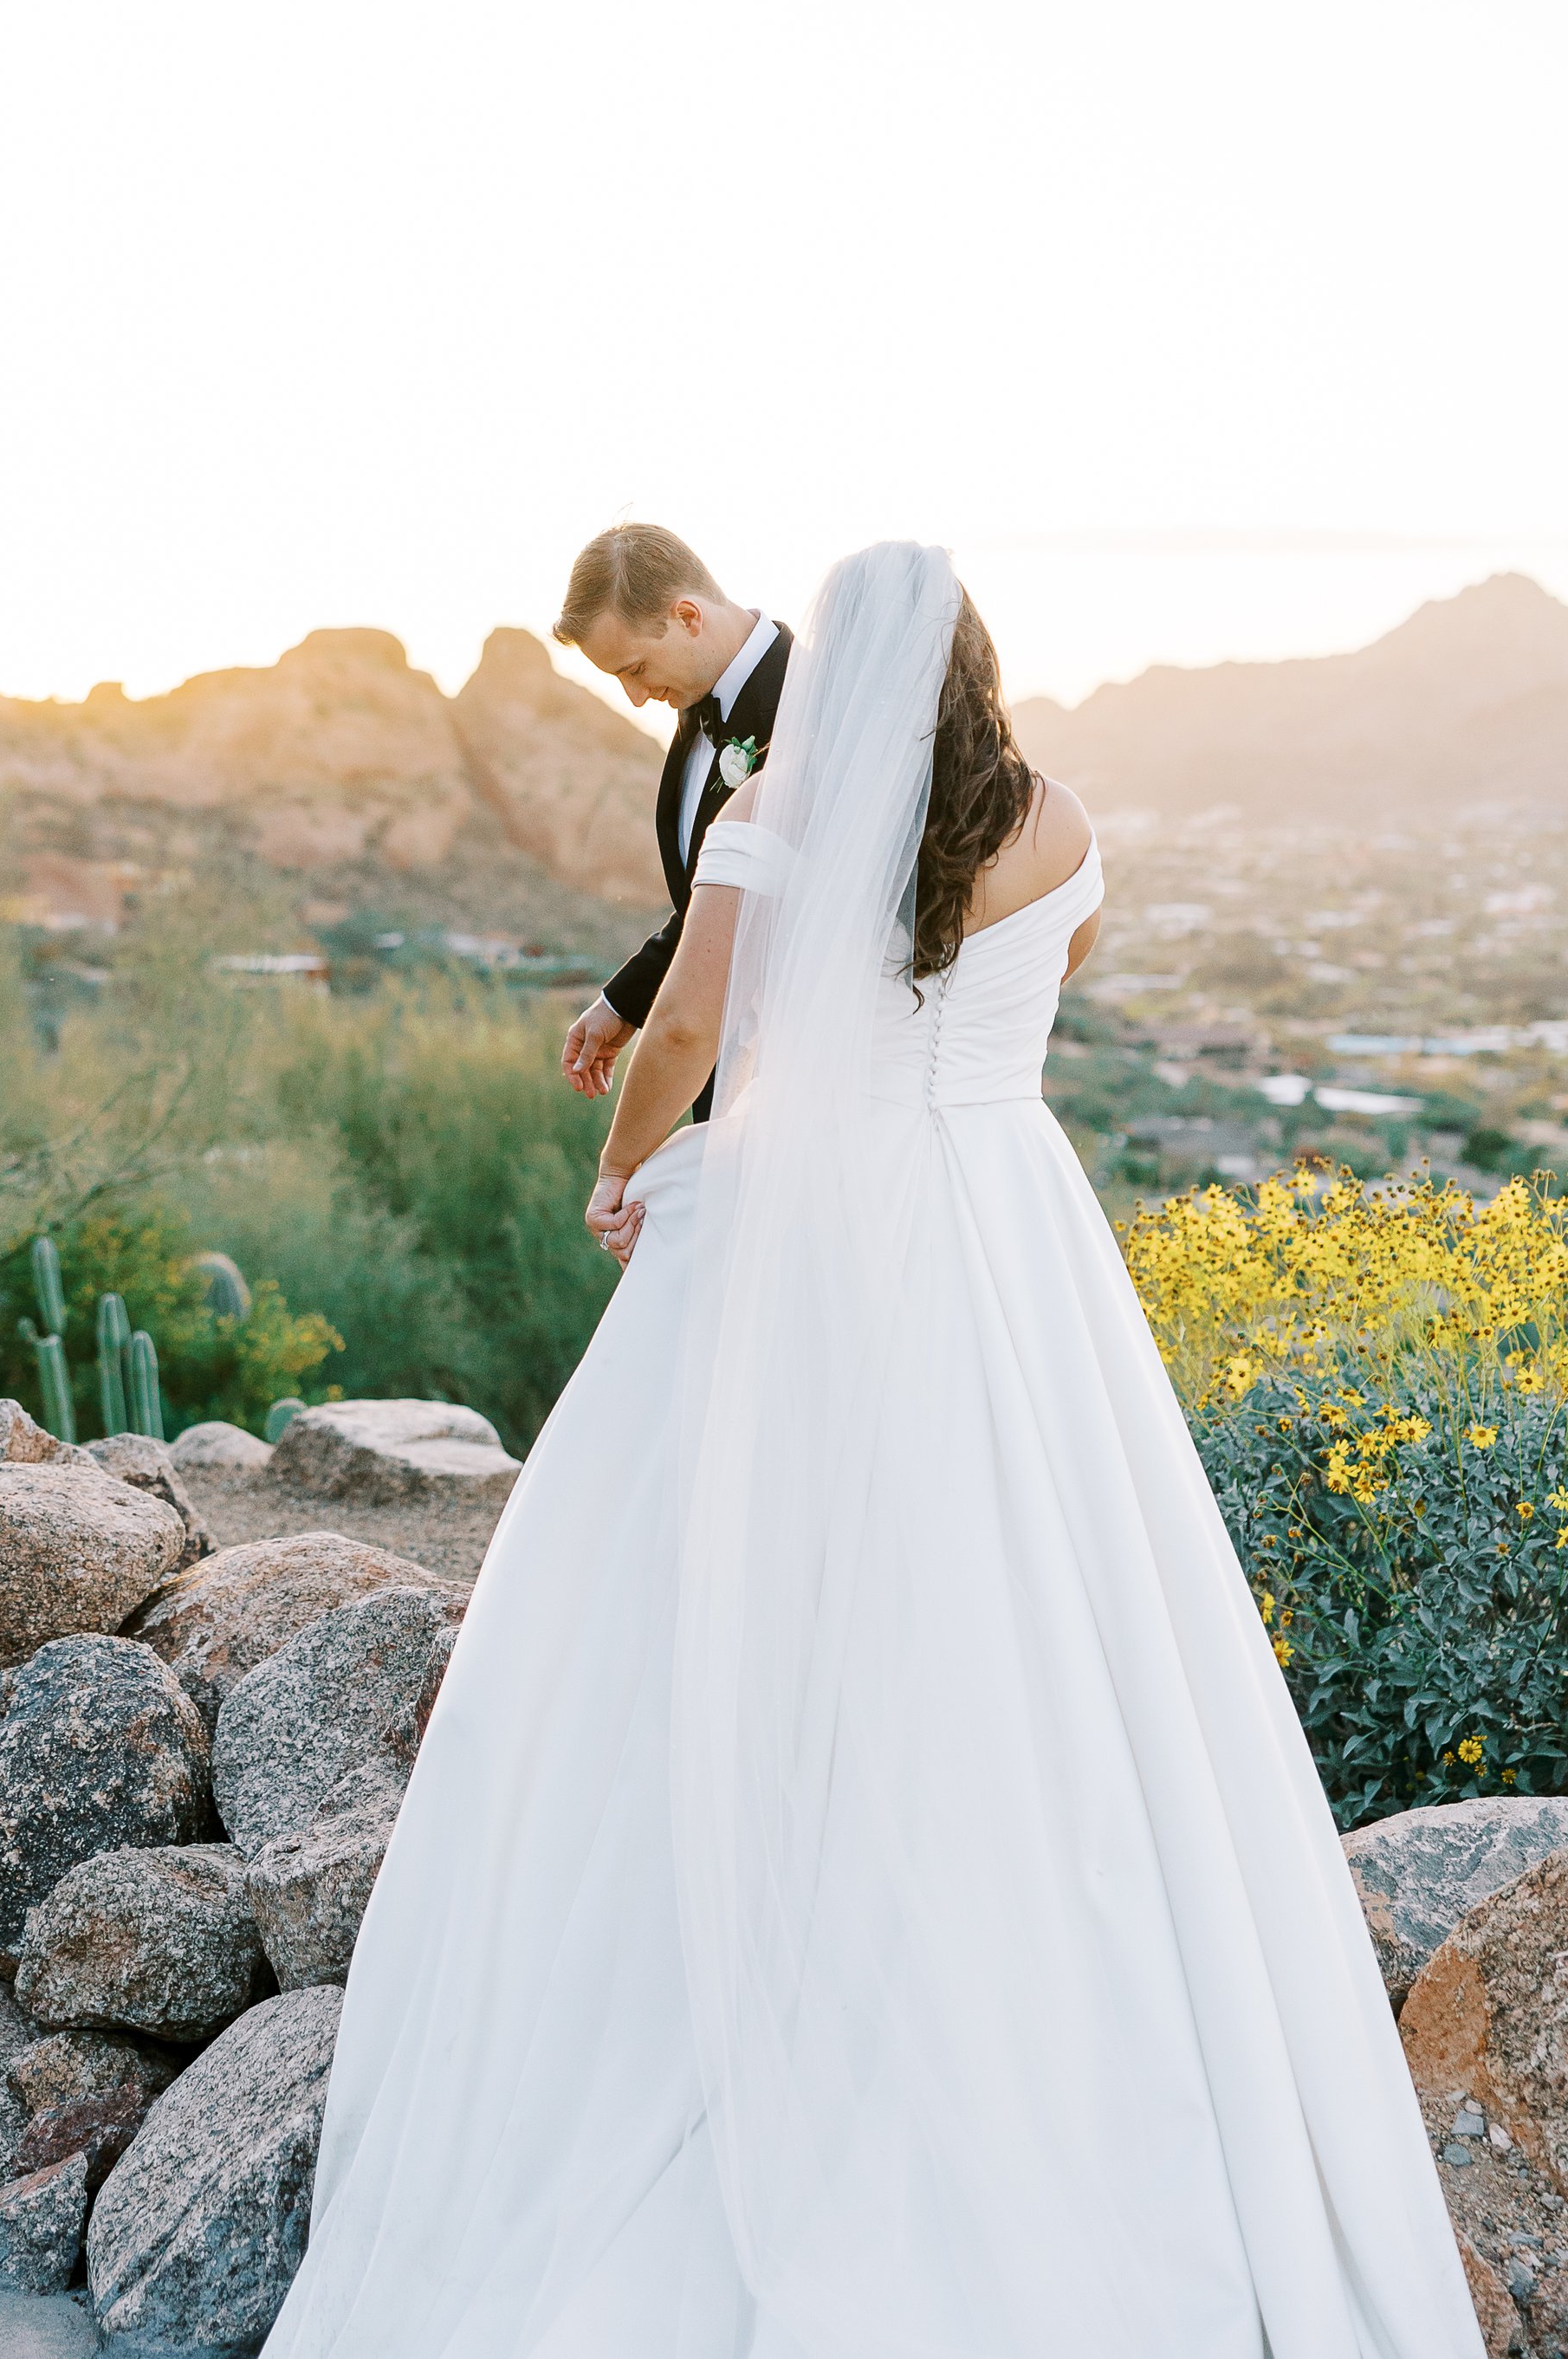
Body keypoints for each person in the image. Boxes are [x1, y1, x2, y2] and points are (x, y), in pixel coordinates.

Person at [264, 543, 1483, 2359]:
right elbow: (1041, 975)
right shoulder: (1060, 818)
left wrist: (623, 1172)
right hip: (1006, 1221)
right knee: (1038, 1604)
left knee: (751, 1582)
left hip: (814, 1230)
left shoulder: (780, 807)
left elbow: (689, 1019)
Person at [551, 522, 790, 1118]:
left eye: (634, 669)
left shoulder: (811, 705)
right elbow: (714, 906)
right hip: (720, 1094)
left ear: (688, 616)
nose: (635, 697)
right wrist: (624, 1001)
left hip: (794, 1088)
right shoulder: (691, 702)